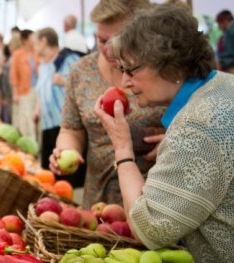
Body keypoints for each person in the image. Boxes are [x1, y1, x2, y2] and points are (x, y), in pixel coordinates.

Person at [94, 3, 234, 262]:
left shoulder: (195, 126)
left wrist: (122, 149)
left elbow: (149, 229)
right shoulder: (224, 86)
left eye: (131, 69)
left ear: (169, 63)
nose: (124, 82)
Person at [49, 0, 165, 209]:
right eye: (102, 40)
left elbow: (192, 118)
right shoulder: (81, 71)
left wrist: (173, 141)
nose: (110, 50)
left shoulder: (159, 69)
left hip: (154, 197)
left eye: (119, 41)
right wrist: (66, 150)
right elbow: (71, 129)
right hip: (97, 198)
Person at [33, 27, 80, 171]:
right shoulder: (42, 65)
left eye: (36, 42)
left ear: (43, 41)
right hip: (47, 123)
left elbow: (83, 85)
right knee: (50, 168)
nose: (34, 47)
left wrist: (64, 81)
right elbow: (42, 91)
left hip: (64, 124)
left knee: (65, 168)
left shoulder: (68, 59)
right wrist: (37, 110)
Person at [10, 29, 39, 141]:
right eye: (32, 37)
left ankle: (37, 144)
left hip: (37, 91)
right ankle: (29, 144)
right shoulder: (17, 55)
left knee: (36, 119)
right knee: (26, 119)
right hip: (24, 91)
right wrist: (15, 93)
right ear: (26, 40)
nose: (35, 39)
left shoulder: (36, 53)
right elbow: (14, 76)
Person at [1, 36, 22, 124]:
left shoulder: (15, 58)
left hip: (13, 92)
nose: (9, 48)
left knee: (15, 116)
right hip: (10, 92)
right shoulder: (12, 58)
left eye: (11, 46)